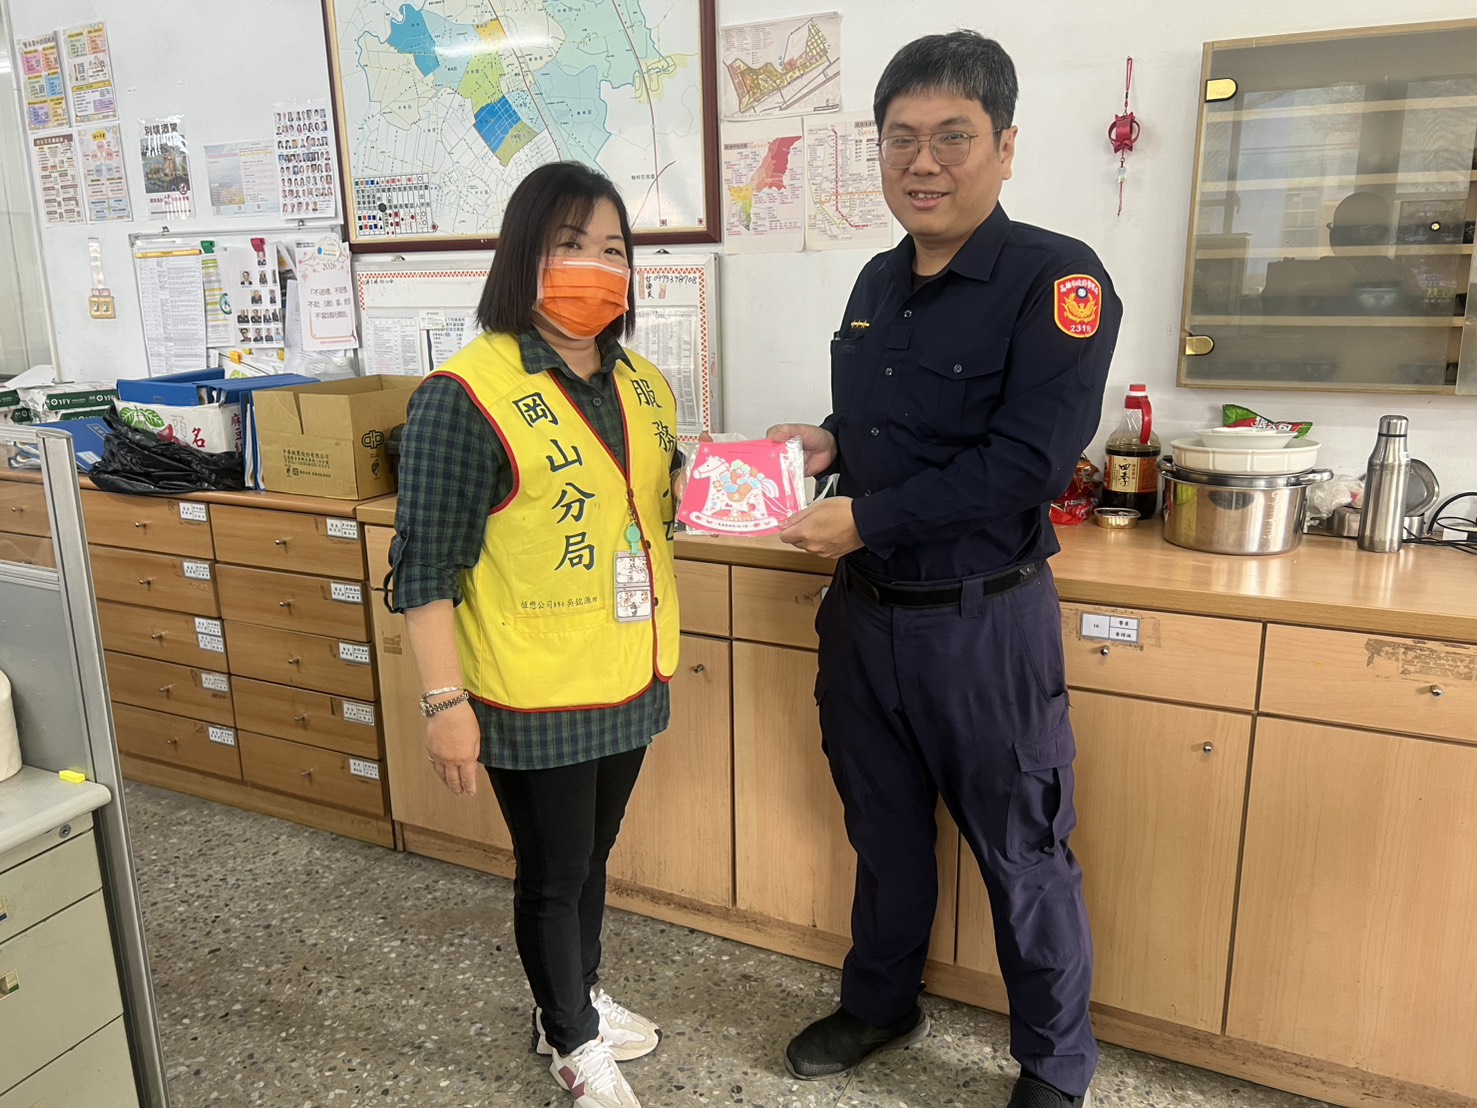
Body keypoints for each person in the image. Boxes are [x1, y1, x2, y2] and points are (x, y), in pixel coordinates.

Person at [767, 31, 1122, 1108]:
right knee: (880, 830)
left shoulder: (1056, 279)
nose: (922, 163)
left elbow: (1026, 464)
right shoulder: (878, 278)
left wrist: (865, 518)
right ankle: (881, 1003)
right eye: (900, 139)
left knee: (1023, 852)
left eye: (952, 137)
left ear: (1004, 147)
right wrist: (828, 441)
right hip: (864, 616)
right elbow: (894, 421)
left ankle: (1054, 1066)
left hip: (981, 627)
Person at [388, 161, 684, 1108]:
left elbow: (655, 504)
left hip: (628, 669)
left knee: (591, 857)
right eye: (569, 245)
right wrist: (445, 706)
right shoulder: (462, 395)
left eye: (613, 249)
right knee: (554, 873)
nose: (595, 266)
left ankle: (574, 1000)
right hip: (529, 686)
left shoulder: (642, 384)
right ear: (523, 255)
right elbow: (424, 570)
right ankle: (571, 1042)